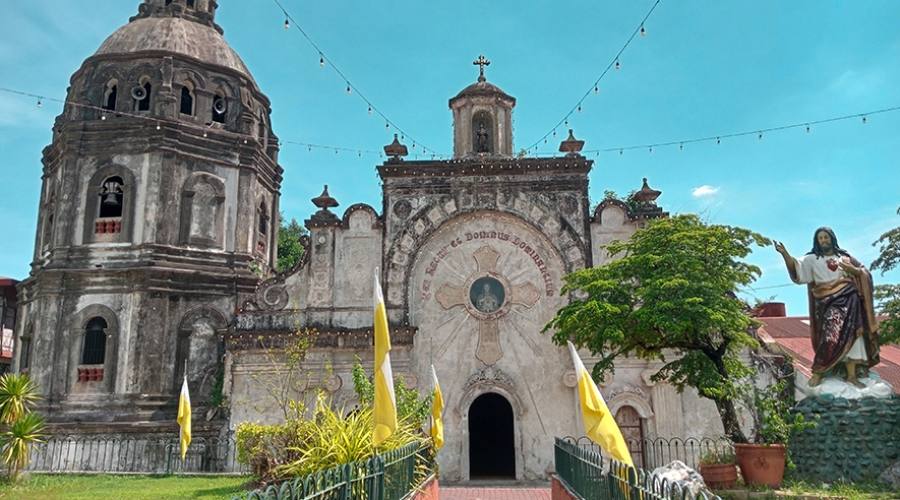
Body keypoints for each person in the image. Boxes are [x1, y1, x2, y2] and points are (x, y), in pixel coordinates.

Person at [774, 227, 880, 387]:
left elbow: (864, 272)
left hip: (850, 299)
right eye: (820, 238)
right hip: (828, 303)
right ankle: (819, 371)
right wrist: (785, 254)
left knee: (854, 335)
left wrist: (855, 271)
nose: (824, 240)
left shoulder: (845, 257)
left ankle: (851, 375)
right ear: (817, 241)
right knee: (830, 337)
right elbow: (797, 269)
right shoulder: (812, 259)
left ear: (832, 238)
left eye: (826, 237)